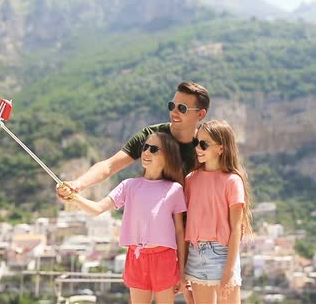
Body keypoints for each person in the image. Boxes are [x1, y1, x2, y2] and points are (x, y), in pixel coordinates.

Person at [57, 133, 187, 303]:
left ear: (167, 156)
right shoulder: (129, 185)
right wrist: (74, 197)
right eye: (145, 147)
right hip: (136, 257)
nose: (146, 152)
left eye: (153, 149)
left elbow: (179, 232)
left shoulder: (175, 189)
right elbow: (98, 209)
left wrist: (183, 275)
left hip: (165, 259)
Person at [56, 81, 209, 196]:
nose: (174, 113)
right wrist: (77, 184)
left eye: (182, 108)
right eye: (172, 106)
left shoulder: (208, 143)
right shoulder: (151, 136)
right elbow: (109, 165)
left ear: (200, 114)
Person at [184, 119, 253, 304]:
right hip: (196, 253)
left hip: (223, 255)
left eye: (204, 144)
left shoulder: (232, 181)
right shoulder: (190, 180)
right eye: (196, 142)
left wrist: (230, 271)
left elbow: (236, 229)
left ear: (221, 148)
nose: (198, 147)